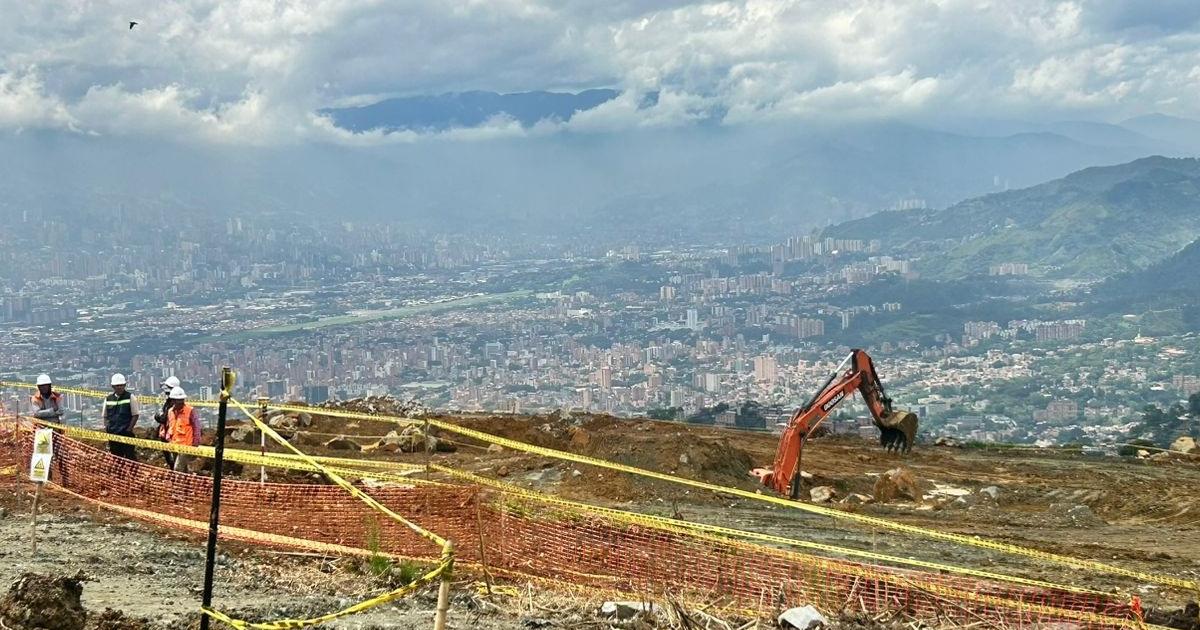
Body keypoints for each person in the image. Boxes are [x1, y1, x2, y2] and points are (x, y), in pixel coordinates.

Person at [103, 373, 139, 461]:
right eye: (117, 385)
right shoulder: (108, 399)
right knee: (116, 458)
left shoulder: (130, 397)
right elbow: (105, 416)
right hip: (113, 434)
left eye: (121, 385)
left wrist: (129, 430)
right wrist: (108, 428)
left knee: (130, 457)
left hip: (126, 433)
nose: (119, 387)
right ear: (113, 386)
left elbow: (135, 415)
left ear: (125, 385)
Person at [165, 386, 201, 472]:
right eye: (178, 400)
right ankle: (186, 484)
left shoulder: (190, 411)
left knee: (178, 468)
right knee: (183, 468)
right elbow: (170, 426)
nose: (181, 402)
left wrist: (195, 443)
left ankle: (178, 484)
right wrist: (168, 437)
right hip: (174, 444)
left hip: (186, 446)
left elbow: (197, 427)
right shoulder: (170, 412)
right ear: (173, 401)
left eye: (182, 400)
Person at [152, 376, 181, 468]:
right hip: (168, 432)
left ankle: (176, 473)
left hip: (171, 433)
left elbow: (165, 419)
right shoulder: (171, 401)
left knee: (174, 457)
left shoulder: (173, 403)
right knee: (172, 456)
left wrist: (157, 417)